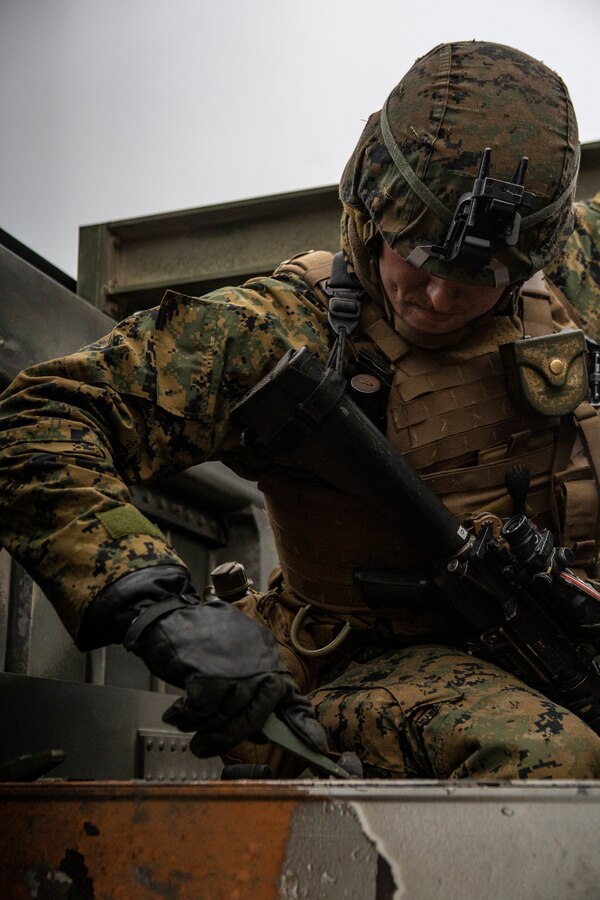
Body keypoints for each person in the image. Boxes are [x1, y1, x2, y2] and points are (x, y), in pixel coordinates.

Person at [1, 41, 600, 780]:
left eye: (483, 275)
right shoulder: (280, 329)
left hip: (559, 638)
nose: (442, 297)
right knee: (552, 759)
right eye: (420, 252)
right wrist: (162, 611)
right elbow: (40, 417)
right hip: (357, 666)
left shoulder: (572, 269)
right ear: (375, 203)